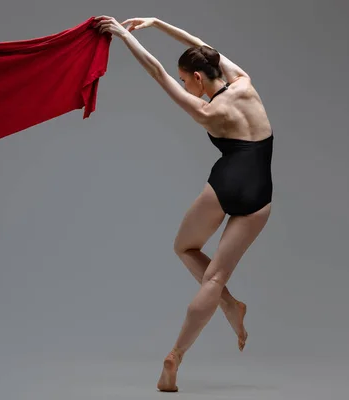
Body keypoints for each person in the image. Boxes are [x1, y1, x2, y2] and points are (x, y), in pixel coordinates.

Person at [94, 16, 274, 392]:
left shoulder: (207, 112)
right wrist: (159, 23)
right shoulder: (244, 82)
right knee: (216, 276)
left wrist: (126, 36)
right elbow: (202, 44)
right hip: (260, 192)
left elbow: (157, 72)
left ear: (196, 78)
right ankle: (207, 322)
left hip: (226, 183)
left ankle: (198, 334)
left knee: (185, 247)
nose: (181, 84)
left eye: (184, 79)